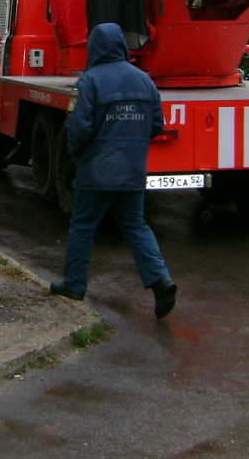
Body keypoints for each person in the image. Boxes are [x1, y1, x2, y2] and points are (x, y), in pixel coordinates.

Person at [50, 22, 178, 319]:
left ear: (95, 47)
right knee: (136, 226)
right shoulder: (145, 80)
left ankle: (74, 284)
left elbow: (78, 128)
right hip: (132, 171)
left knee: (83, 226)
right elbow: (157, 125)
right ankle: (161, 280)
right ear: (121, 45)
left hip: (96, 170)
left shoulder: (89, 81)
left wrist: (77, 156)